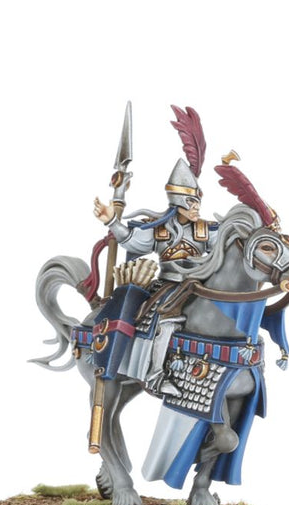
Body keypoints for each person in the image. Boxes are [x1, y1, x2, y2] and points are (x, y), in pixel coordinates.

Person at [93, 157, 219, 396]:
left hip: (201, 284)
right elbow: (131, 240)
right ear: (178, 201)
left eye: (198, 201)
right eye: (191, 201)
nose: (196, 207)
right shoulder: (159, 229)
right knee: (164, 322)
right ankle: (156, 377)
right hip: (168, 286)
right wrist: (111, 221)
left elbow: (229, 243)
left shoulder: (207, 229)